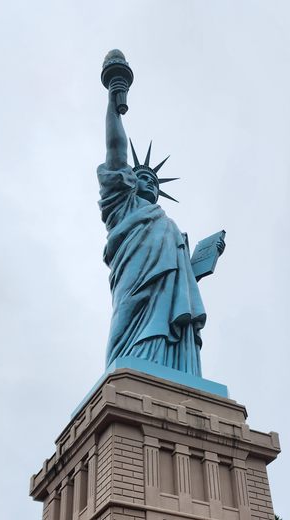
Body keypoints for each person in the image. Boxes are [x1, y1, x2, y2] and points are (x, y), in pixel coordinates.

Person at [97, 87, 224, 377]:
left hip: (165, 304)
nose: (150, 182)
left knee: (169, 333)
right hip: (133, 287)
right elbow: (115, 151)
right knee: (125, 339)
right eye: (142, 177)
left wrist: (199, 265)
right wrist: (114, 101)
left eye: (154, 181)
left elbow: (177, 282)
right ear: (129, 182)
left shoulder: (169, 225)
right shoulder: (122, 206)